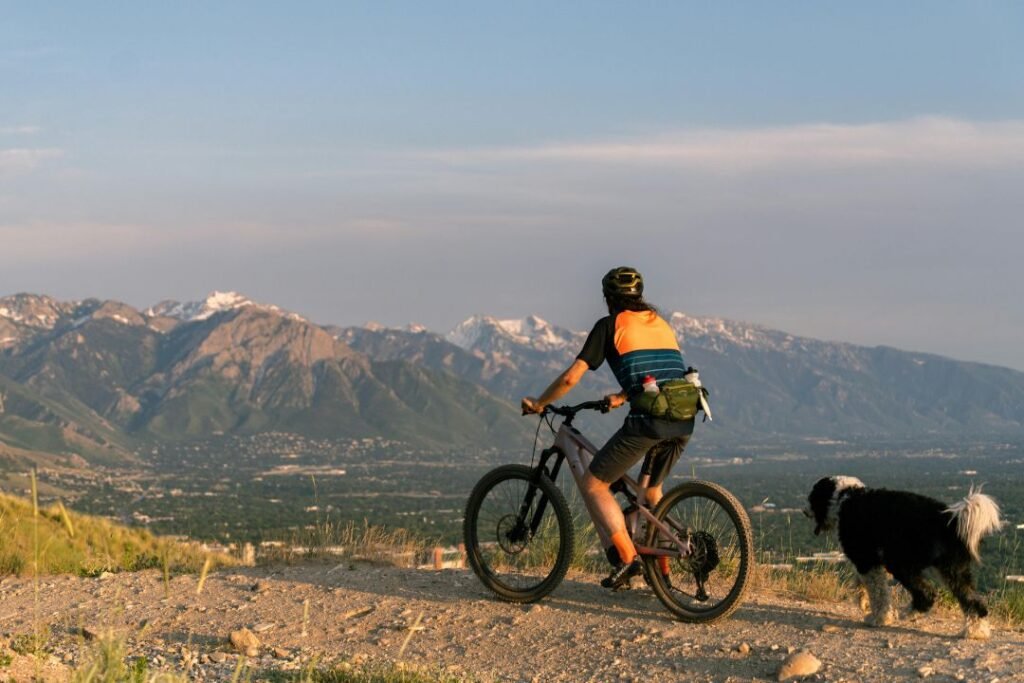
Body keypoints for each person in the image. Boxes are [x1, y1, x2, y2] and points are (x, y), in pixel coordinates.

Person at [521, 266, 695, 589]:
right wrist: (622, 396)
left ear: (608, 298)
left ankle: (628, 560)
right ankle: (663, 576)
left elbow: (571, 378)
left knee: (594, 484)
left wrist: (540, 403)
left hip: (651, 422)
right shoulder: (659, 323)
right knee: (651, 494)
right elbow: (659, 375)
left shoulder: (609, 325)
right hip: (684, 418)